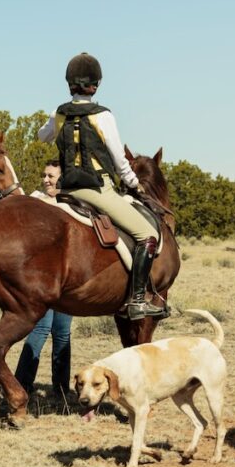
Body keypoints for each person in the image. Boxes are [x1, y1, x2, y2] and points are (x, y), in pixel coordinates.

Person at [37, 52, 164, 320]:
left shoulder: (59, 113)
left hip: (67, 190)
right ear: (96, 85)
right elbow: (119, 159)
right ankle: (138, 300)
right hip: (97, 189)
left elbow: (42, 137)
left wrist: (57, 122)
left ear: (69, 83)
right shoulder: (103, 116)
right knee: (147, 235)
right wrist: (133, 183)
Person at [15, 160, 73, 398]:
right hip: (40, 276)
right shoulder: (35, 198)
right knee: (41, 327)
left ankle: (60, 388)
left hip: (67, 277)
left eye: (51, 176)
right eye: (44, 175)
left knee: (62, 331)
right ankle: (21, 383)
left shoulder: (71, 200)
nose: (46, 179)